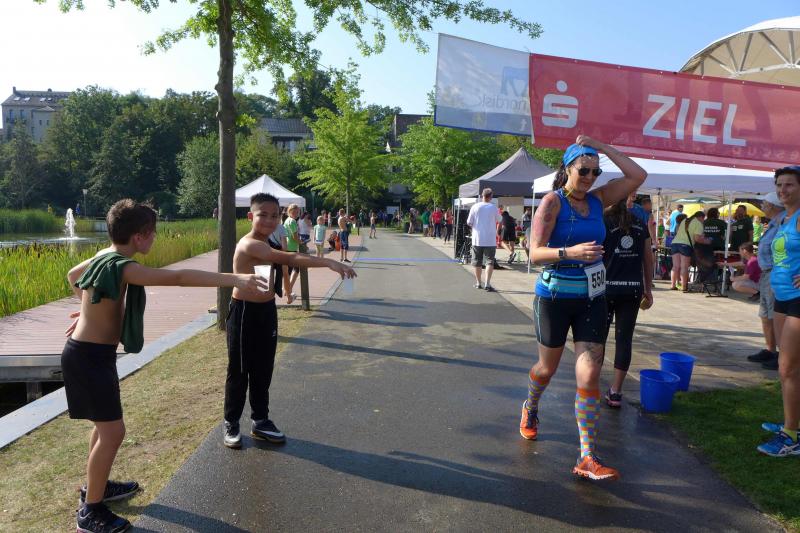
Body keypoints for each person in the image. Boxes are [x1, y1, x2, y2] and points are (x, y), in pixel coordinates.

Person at [63, 199, 270, 532]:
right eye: (153, 233)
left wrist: (88, 310)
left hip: (89, 355)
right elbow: (179, 276)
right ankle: (90, 512)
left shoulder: (104, 255)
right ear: (140, 236)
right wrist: (234, 279)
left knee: (104, 427)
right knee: (114, 432)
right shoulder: (124, 266)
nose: (155, 238)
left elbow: (74, 276)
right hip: (88, 358)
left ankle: (96, 486)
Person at [522, 136, 646, 481]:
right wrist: (569, 253)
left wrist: (602, 147)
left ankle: (587, 456)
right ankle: (531, 406)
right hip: (554, 297)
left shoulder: (598, 199)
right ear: (568, 169)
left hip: (592, 297)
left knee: (590, 374)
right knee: (546, 369)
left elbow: (638, 176)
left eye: (596, 171)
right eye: (584, 170)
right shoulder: (552, 202)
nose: (591, 177)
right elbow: (534, 253)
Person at [224, 193, 355, 450]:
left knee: (263, 369)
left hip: (266, 311)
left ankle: (260, 420)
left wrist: (286, 288)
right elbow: (290, 259)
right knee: (239, 371)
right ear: (250, 216)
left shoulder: (270, 241)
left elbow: (279, 267)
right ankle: (231, 422)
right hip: (244, 312)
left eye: (274, 216)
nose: (269, 220)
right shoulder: (250, 244)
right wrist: (328, 262)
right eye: (263, 215)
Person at [757, 166, 800, 457]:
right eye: (779, 185)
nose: (782, 190)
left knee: (787, 368)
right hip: (782, 297)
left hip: (798, 299)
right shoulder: (783, 218)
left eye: (789, 185)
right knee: (791, 368)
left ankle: (791, 436)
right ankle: (792, 423)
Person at [602, 198, 652, 408]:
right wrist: (648, 288)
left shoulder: (603, 222)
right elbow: (648, 259)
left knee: (597, 339)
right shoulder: (640, 223)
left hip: (605, 288)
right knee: (624, 340)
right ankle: (616, 391)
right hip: (632, 289)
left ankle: (589, 386)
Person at [747, 193, 784, 368]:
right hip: (766, 272)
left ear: (773, 206)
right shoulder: (773, 223)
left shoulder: (783, 222)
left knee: (774, 314)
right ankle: (770, 350)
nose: (762, 206)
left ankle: (782, 354)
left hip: (775, 272)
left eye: (764, 204)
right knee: (765, 313)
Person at [467, 188, 502, 291]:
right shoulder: (493, 208)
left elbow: (469, 222)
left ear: (482, 195)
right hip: (490, 239)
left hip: (477, 238)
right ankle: (487, 284)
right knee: (489, 262)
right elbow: (500, 220)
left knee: (477, 261)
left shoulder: (475, 207)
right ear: (491, 196)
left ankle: (478, 283)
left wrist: (476, 227)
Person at [670, 212, 708, 292]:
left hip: (674, 243)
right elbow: (697, 239)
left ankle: (673, 285)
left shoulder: (685, 220)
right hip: (685, 245)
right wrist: (707, 241)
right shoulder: (698, 224)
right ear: (701, 217)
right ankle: (684, 287)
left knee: (675, 266)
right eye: (703, 219)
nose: (703, 221)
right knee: (684, 267)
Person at [283, 204, 301, 301]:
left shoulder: (287, 220)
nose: (296, 214)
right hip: (292, 247)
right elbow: (294, 236)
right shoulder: (293, 221)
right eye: (294, 212)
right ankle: (288, 290)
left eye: (297, 212)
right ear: (289, 212)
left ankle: (287, 290)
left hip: (287, 246)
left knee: (289, 271)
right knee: (296, 270)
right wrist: (301, 242)